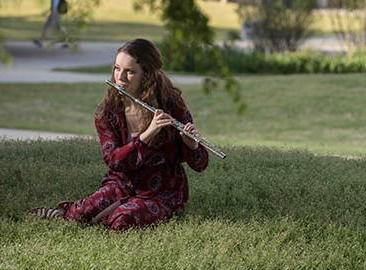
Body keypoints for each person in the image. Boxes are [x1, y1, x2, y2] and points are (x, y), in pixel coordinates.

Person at [30, 39, 209, 231]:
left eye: (130, 72)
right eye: (117, 69)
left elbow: (200, 164)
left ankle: (110, 214)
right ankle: (76, 214)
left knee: (122, 220)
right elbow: (114, 161)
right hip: (122, 183)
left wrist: (191, 145)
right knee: (81, 212)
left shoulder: (171, 102)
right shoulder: (108, 112)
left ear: (147, 75)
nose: (120, 78)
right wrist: (148, 133)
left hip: (161, 190)